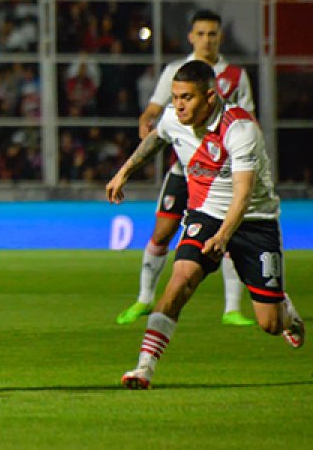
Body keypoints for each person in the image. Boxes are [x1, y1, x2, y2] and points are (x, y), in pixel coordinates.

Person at [107, 60, 304, 389]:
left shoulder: (240, 129)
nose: (179, 105)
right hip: (205, 216)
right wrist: (123, 172)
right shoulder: (174, 117)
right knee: (180, 281)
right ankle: (144, 368)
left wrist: (224, 237)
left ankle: (286, 312)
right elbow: (157, 138)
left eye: (187, 97)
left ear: (210, 98)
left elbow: (242, 194)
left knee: (269, 323)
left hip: (255, 221)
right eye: (175, 97)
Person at [117, 10, 255, 327]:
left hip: (222, 175)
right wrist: (146, 125)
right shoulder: (176, 71)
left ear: (220, 37)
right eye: (201, 34)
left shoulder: (235, 75)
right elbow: (153, 110)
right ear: (191, 36)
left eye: (213, 34)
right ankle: (143, 299)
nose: (207, 39)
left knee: (227, 235)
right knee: (162, 232)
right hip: (184, 172)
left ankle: (232, 308)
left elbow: (248, 119)